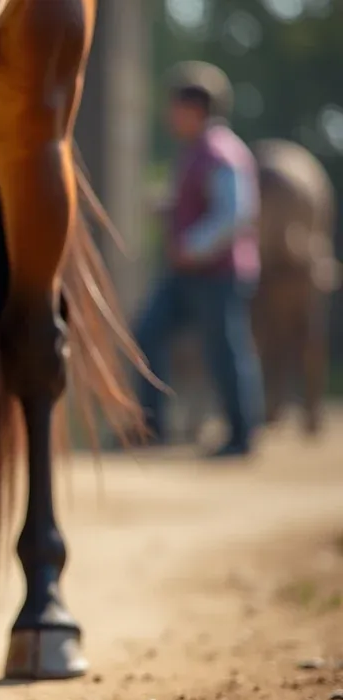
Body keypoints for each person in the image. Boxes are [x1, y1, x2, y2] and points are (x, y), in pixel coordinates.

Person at [130, 61, 265, 458]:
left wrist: (190, 246)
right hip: (188, 274)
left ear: (196, 109)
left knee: (225, 350)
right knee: (146, 331)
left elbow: (236, 214)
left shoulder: (222, 153)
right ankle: (151, 427)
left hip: (217, 274)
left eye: (176, 107)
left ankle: (241, 435)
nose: (170, 116)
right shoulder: (194, 152)